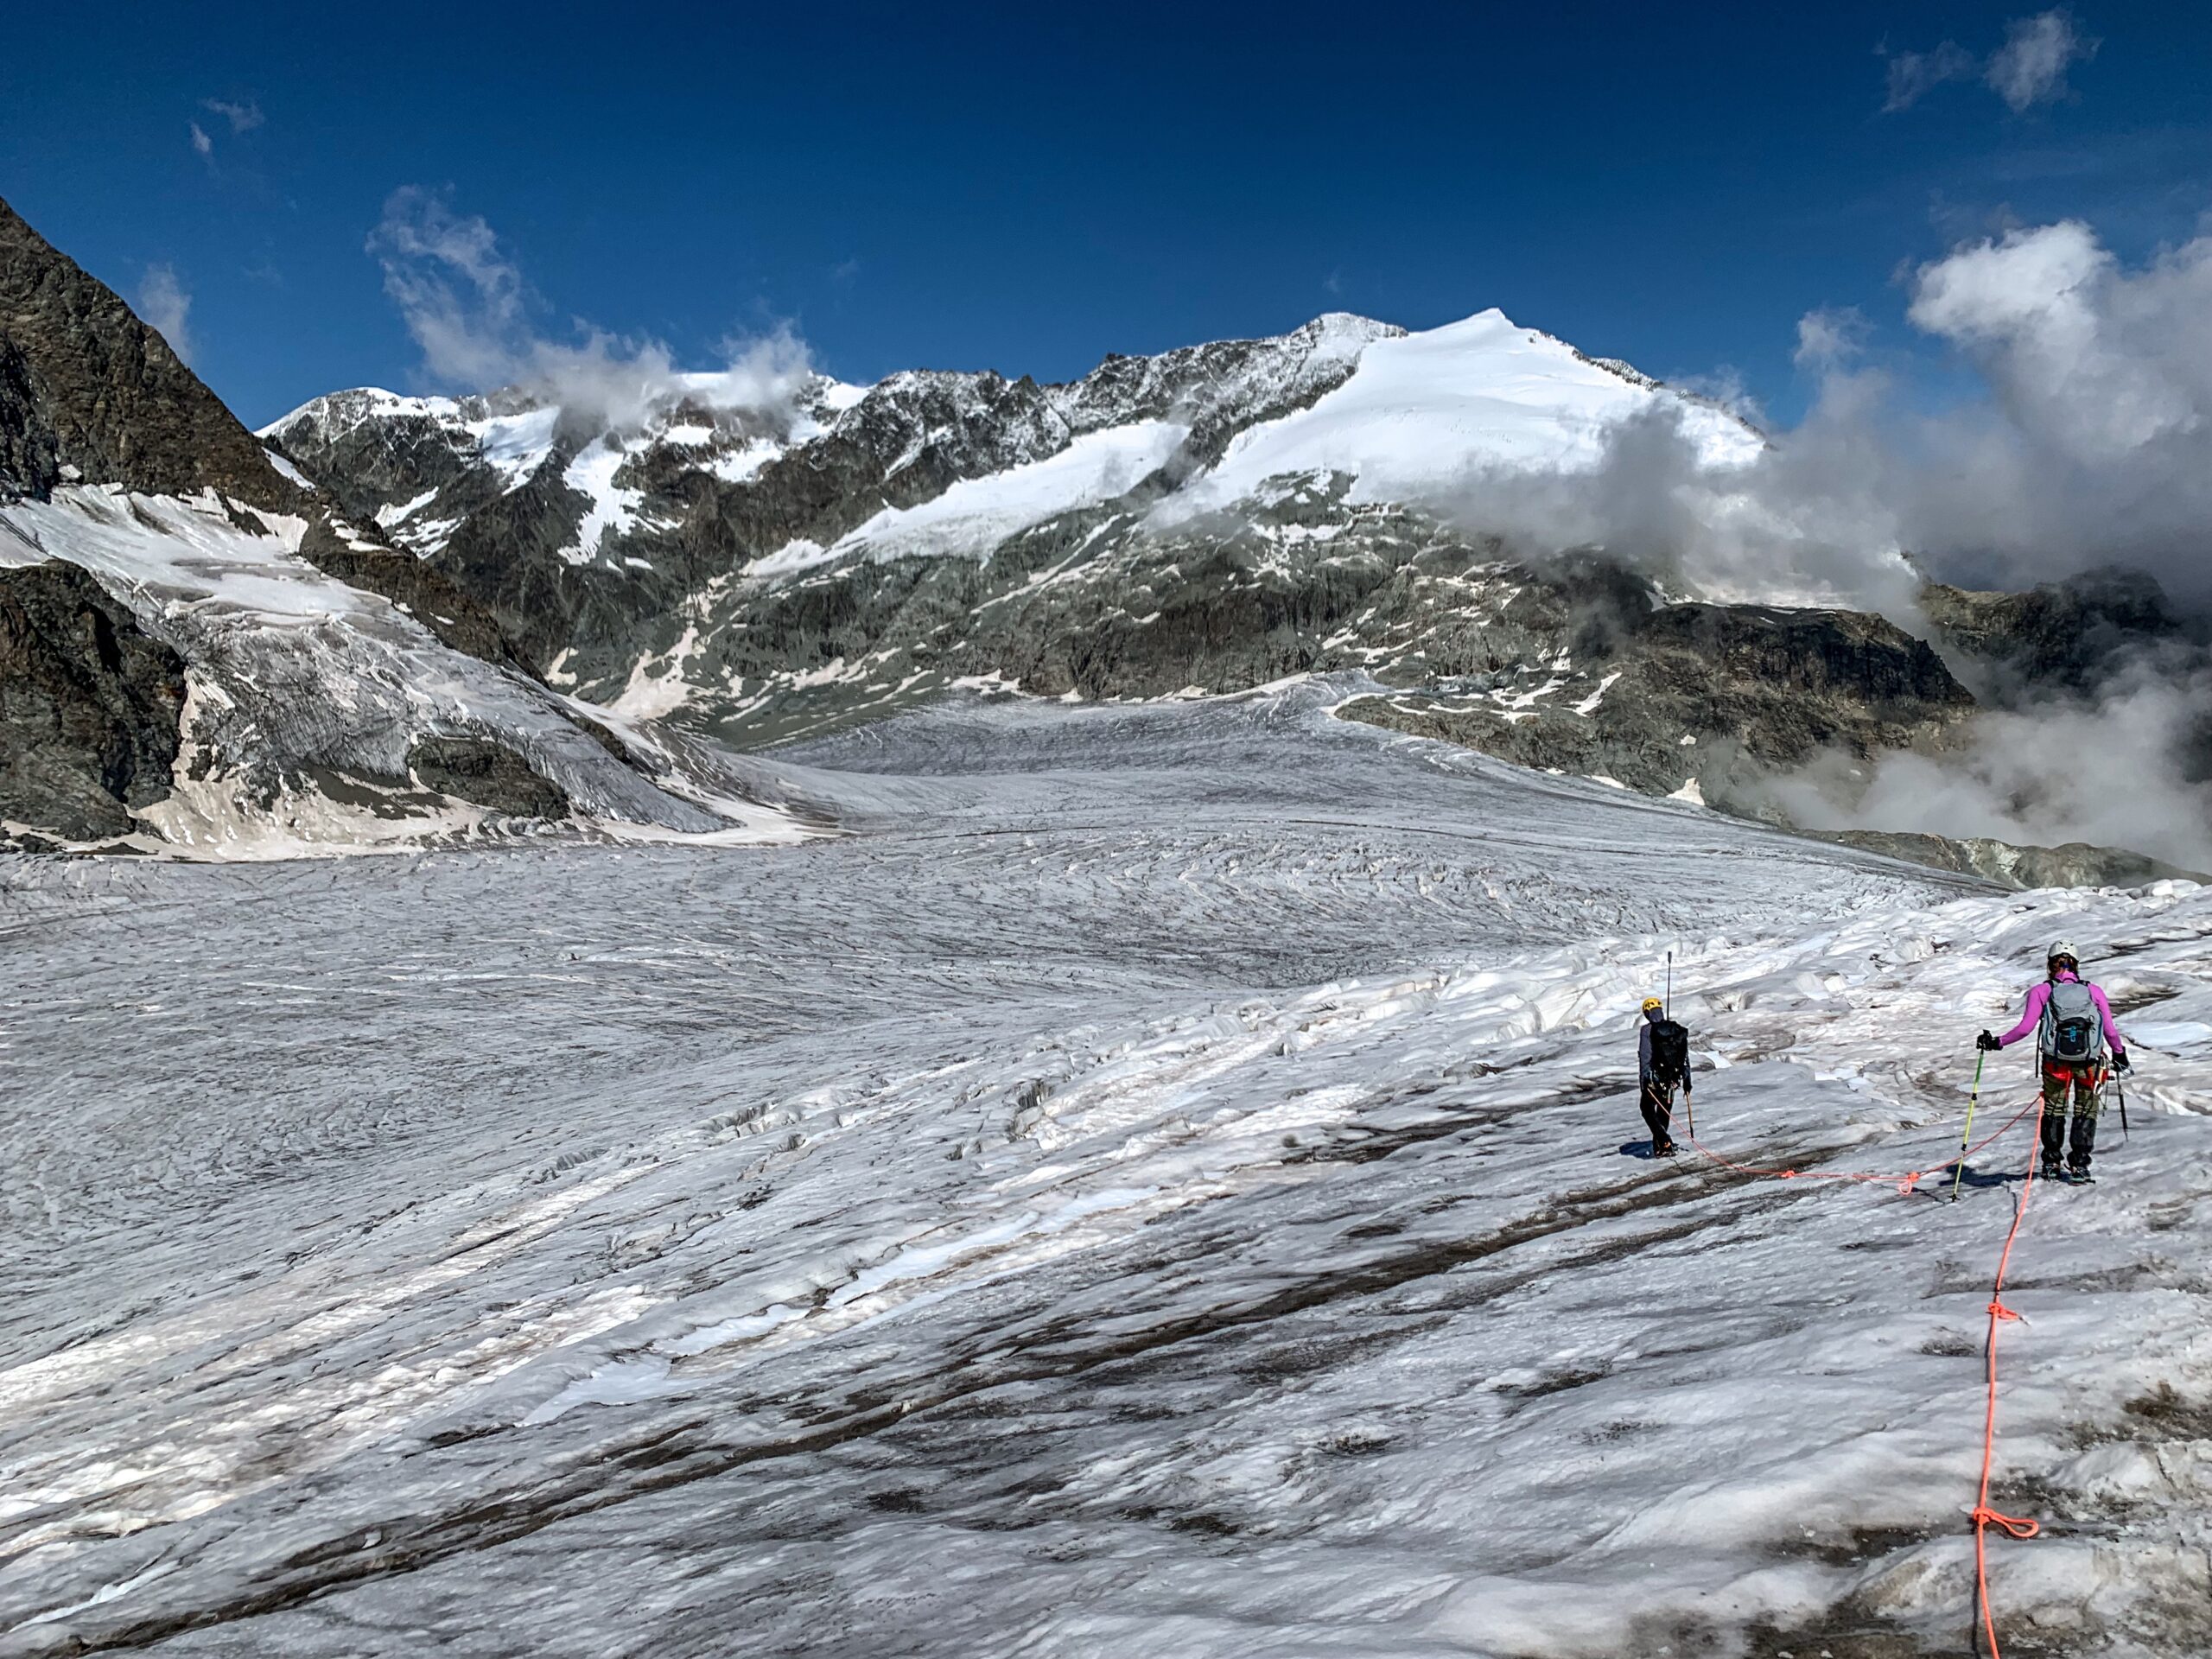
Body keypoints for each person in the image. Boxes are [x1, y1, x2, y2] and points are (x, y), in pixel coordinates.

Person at [1978, 938, 2132, 1182]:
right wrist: (2120, 1054)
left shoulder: (2042, 991)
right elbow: (2110, 1030)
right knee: (2085, 1109)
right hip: (2090, 1062)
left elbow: (2025, 1029)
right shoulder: (2094, 991)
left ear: (2051, 965)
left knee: (2054, 1109)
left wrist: (1997, 1042)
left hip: (2055, 1061)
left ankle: (2051, 1163)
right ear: (2076, 964)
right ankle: (2080, 1166)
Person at [1638, 996, 1691, 1157]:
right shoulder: (1675, 1029)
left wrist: (1644, 1081)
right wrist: (1687, 1080)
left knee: (1647, 1109)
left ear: (1647, 1013)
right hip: (1673, 1080)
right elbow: (1684, 1057)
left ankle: (1663, 1140)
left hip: (1654, 1079)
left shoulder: (1647, 1031)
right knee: (1664, 1113)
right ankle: (1663, 1147)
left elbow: (1645, 1057)